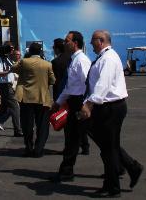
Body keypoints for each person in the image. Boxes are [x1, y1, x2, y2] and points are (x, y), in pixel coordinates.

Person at [79, 30, 143, 197]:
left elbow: (103, 84)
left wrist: (89, 104)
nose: (91, 43)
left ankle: (114, 187)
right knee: (108, 147)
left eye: (93, 40)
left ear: (101, 41)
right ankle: (128, 170)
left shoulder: (108, 58)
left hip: (110, 108)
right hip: (106, 107)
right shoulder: (104, 57)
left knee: (109, 149)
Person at [52, 30, 92, 183]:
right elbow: (70, 86)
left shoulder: (81, 60)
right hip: (74, 102)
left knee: (101, 138)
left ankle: (128, 165)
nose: (64, 42)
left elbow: (89, 84)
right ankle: (66, 172)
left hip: (81, 104)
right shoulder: (73, 60)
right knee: (71, 139)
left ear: (75, 43)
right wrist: (58, 102)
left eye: (67, 40)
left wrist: (86, 105)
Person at [14, 42, 55, 157]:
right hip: (42, 98)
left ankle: (28, 147)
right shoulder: (47, 64)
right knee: (42, 126)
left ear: (29, 51)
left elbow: (13, 68)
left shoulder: (24, 62)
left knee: (27, 125)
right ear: (40, 51)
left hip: (26, 97)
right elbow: (52, 80)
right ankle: (38, 149)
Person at [51, 38, 70, 102]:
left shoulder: (55, 62)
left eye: (53, 47)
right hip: (71, 93)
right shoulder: (72, 58)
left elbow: (56, 80)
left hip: (60, 93)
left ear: (57, 49)